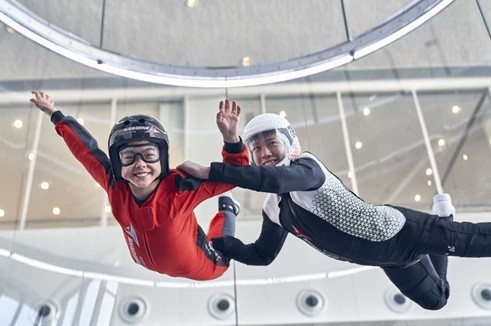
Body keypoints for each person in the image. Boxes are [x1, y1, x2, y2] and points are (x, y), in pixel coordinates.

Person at [178, 111, 491, 310]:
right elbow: (262, 254)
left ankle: (442, 223)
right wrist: (221, 242)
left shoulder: (307, 168)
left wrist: (212, 171)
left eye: (271, 143)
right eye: (256, 149)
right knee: (437, 299)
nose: (264, 153)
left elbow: (272, 179)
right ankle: (444, 217)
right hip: (390, 259)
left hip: (404, 232)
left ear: (289, 145)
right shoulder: (274, 208)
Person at [30, 91, 249, 281]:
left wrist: (231, 139)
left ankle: (228, 209)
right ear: (118, 162)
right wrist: (54, 113)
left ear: (162, 158)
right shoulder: (115, 185)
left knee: (222, 250)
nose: (140, 164)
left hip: (200, 265)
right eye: (129, 157)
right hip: (146, 261)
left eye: (149, 155)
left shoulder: (180, 187)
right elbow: (86, 150)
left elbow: (235, 175)